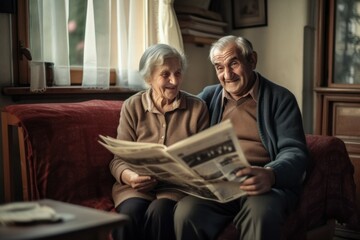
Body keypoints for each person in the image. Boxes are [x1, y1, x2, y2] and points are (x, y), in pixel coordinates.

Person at [174, 35, 309, 240]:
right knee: (186, 212)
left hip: (261, 185)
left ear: (252, 60)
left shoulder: (280, 99)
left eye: (234, 63)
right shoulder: (208, 97)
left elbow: (295, 151)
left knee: (260, 213)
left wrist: (271, 174)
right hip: (219, 185)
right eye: (219, 67)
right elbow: (181, 127)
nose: (227, 75)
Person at [110, 43, 209, 240]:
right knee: (128, 216)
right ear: (149, 78)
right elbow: (118, 160)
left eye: (178, 73)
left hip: (176, 189)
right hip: (135, 188)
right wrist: (130, 177)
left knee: (160, 212)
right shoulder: (132, 106)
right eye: (165, 74)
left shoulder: (197, 108)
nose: (174, 81)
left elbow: (204, 161)